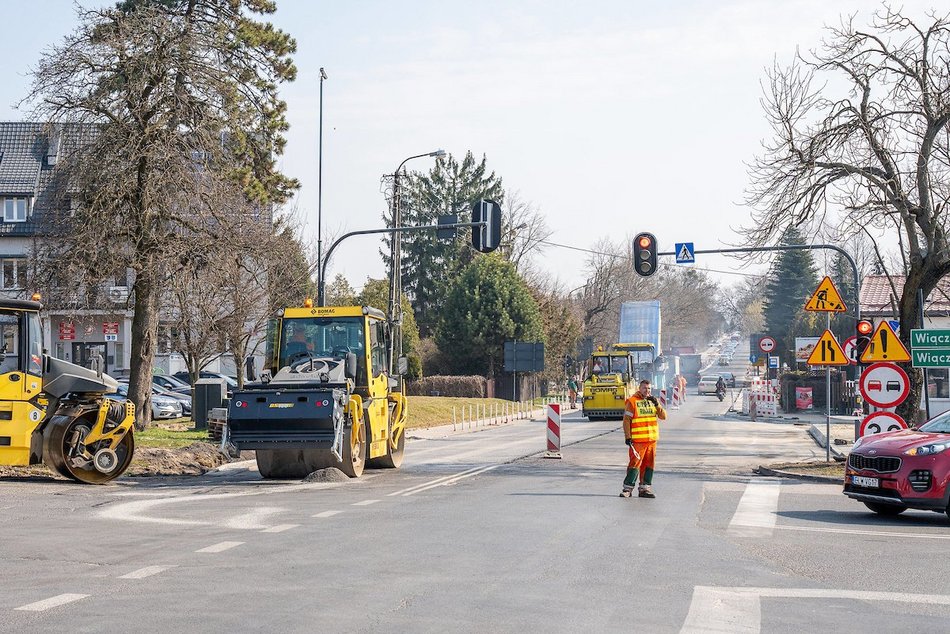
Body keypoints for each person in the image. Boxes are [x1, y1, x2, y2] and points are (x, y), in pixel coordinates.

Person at [620, 379, 667, 499]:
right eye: (645, 388)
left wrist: (657, 404)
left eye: (649, 388)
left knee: (649, 464)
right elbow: (626, 421)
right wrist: (628, 437)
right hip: (637, 441)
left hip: (651, 440)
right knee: (634, 464)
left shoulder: (653, 401)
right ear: (639, 389)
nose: (647, 391)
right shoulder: (632, 402)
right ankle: (627, 489)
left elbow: (663, 417)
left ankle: (644, 489)